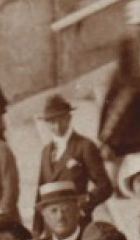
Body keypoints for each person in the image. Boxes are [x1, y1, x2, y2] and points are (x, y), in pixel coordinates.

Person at [98, 0, 140, 166]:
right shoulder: (127, 43)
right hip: (130, 89)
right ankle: (111, 154)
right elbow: (126, 75)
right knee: (120, 130)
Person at [34, 93, 112, 226]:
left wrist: (83, 205)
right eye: (52, 122)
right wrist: (37, 229)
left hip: (77, 221)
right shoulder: (46, 152)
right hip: (53, 224)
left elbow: (105, 186)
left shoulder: (84, 146)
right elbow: (41, 192)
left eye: (61, 119)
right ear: (46, 124)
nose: (57, 126)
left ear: (69, 118)